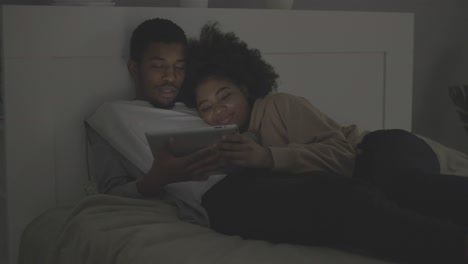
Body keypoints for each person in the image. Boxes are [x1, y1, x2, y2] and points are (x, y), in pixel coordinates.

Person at [181, 22, 468, 264]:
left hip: (377, 147)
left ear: (243, 88)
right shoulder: (228, 144)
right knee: (381, 202)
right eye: (206, 107)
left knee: (401, 187)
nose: (218, 111)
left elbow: (344, 153)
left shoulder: (278, 106)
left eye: (225, 96)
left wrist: (268, 157)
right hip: (359, 174)